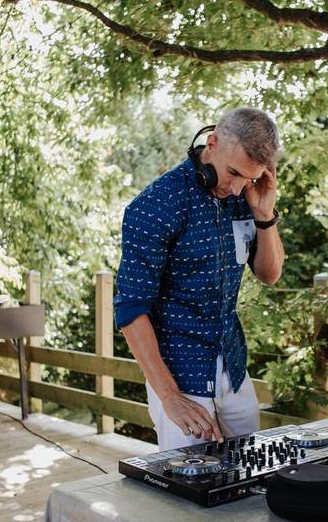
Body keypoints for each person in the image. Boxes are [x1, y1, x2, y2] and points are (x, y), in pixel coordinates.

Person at [114, 107, 285, 451]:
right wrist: (169, 397)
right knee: (189, 495)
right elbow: (130, 310)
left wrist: (264, 216)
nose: (237, 189)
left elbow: (269, 274)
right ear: (212, 143)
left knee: (249, 479)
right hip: (180, 380)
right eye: (233, 173)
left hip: (234, 373)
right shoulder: (155, 206)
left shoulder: (244, 198)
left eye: (249, 179)